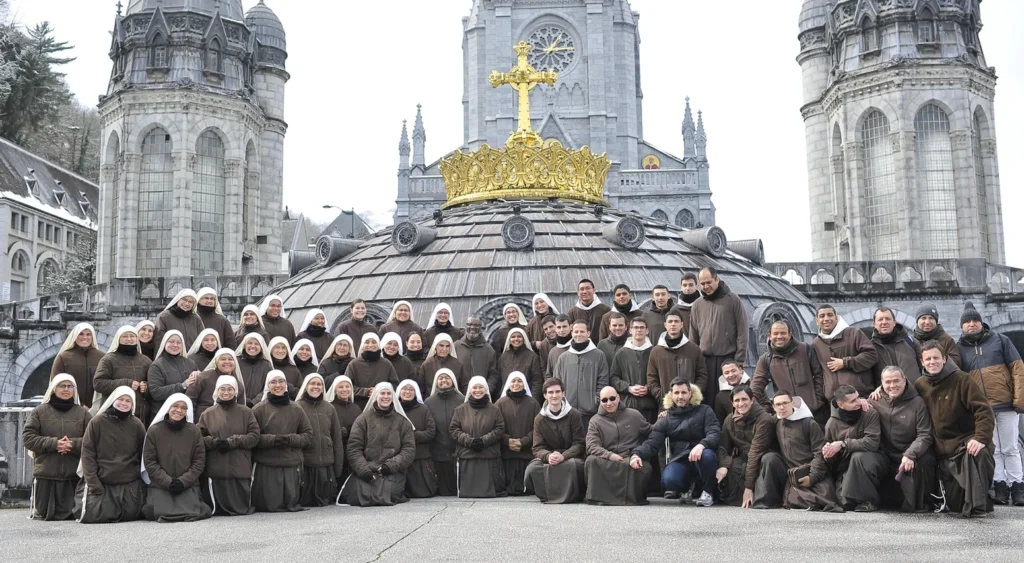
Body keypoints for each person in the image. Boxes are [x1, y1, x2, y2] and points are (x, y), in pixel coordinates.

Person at [916, 340, 995, 517]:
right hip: (941, 450)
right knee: (957, 505)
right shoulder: (920, 384)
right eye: (927, 359)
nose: (932, 362)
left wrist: (980, 438)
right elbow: (900, 392)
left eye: (936, 357)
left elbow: (983, 410)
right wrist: (878, 391)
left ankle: (980, 505)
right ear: (922, 362)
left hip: (965, 441)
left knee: (976, 452)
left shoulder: (962, 379)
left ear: (944, 359)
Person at [956, 303, 1024, 506]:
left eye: (975, 320)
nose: (971, 324)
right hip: (981, 409)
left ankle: (1018, 486)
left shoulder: (1001, 340)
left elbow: (1017, 369)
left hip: (1006, 405)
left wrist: (1019, 400)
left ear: (981, 322)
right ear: (962, 326)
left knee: (1011, 447)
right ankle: (1000, 487)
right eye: (967, 322)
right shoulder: (959, 349)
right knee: (992, 448)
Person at [631, 378, 720, 506]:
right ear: (671, 395)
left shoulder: (705, 410)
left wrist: (702, 445)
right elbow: (652, 443)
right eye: (676, 393)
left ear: (690, 393)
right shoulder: (666, 418)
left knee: (708, 456)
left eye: (684, 392)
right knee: (669, 480)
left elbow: (714, 433)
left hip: (702, 455)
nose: (680, 396)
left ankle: (708, 492)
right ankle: (686, 490)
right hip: (681, 458)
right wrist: (637, 454)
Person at [23, 374, 92, 520]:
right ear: (54, 388)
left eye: (70, 386)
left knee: (74, 515)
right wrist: (54, 444)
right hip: (47, 473)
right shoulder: (39, 412)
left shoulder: (83, 413)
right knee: (44, 514)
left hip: (74, 475)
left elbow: (92, 440)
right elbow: (28, 438)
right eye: (62, 386)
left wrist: (72, 444)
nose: (66, 389)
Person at [75, 386, 147, 523]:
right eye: (120, 399)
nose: (124, 403)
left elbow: (142, 454)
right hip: (103, 480)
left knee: (131, 515)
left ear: (132, 404)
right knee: (96, 516)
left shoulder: (137, 425)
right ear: (113, 399)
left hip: (128, 483)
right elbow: (88, 455)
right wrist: (94, 484)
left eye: (128, 401)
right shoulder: (97, 422)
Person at [869, 366, 935, 513]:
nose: (892, 385)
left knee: (925, 460)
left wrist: (910, 454)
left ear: (904, 380)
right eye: (888, 382)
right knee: (865, 459)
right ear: (881, 383)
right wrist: (861, 402)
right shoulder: (874, 400)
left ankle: (920, 504)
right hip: (885, 453)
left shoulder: (917, 402)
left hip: (911, 450)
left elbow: (925, 434)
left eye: (896, 381)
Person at [340, 383, 416, 507]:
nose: (385, 397)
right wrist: (363, 470)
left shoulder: (402, 422)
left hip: (391, 470)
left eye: (388, 393)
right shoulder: (362, 420)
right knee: (354, 495)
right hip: (367, 468)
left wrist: (390, 466)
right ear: (376, 395)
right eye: (382, 393)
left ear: (393, 396)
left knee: (390, 494)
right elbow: (354, 448)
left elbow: (409, 450)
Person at [196, 375, 260, 517]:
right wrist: (214, 442)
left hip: (239, 465)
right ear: (216, 391)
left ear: (236, 391)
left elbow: (254, 436)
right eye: (222, 389)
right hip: (216, 466)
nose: (226, 392)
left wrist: (233, 441)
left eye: (230, 389)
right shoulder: (207, 414)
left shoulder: (246, 412)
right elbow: (198, 437)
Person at [141, 394, 211, 523]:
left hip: (187, 484)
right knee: (154, 511)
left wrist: (183, 481)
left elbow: (199, 462)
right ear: (168, 407)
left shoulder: (194, 431)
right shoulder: (154, 430)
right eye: (175, 406)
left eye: (183, 408)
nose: (179, 410)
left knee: (195, 511)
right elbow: (150, 462)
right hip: (162, 484)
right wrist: (168, 481)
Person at [251, 371, 313, 512]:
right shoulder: (258, 409)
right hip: (267, 463)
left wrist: (290, 439)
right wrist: (273, 439)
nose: (278, 385)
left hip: (290, 462)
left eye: (281, 381)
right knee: (268, 505)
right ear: (268, 385)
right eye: (273, 382)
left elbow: (308, 436)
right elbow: (252, 437)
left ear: (286, 384)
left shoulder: (297, 409)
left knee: (289, 501)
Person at [715, 385, 786, 508]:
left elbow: (755, 453)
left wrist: (748, 487)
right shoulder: (729, 420)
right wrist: (724, 465)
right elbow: (723, 448)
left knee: (769, 460)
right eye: (737, 400)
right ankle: (738, 499)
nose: (741, 404)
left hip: (766, 457)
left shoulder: (764, 419)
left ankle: (768, 499)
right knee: (733, 464)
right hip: (747, 457)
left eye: (744, 399)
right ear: (732, 403)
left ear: (752, 400)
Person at [772, 390, 843, 512]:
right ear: (773, 407)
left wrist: (812, 477)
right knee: (794, 500)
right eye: (778, 404)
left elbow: (820, 453)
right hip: (793, 474)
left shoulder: (809, 423)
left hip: (814, 470)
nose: (782, 407)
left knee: (825, 496)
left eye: (785, 403)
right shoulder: (776, 422)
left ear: (792, 403)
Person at [689, 267, 749, 406]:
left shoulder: (733, 299)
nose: (706, 286)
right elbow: (693, 334)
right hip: (705, 361)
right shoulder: (697, 304)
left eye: (709, 282)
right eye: (702, 284)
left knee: (728, 401)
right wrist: (694, 360)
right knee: (706, 400)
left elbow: (742, 331)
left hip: (728, 359)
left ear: (717, 279)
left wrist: (739, 360)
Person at [823, 385, 887, 512]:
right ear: (841, 405)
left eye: (858, 397)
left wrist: (843, 444)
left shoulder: (869, 413)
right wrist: (828, 453)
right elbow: (834, 460)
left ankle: (869, 501)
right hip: (846, 466)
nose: (858, 402)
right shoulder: (831, 423)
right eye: (852, 401)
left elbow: (872, 443)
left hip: (875, 458)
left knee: (858, 456)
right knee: (844, 502)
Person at [752, 320, 828, 426]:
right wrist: (750, 404)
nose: (779, 336)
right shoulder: (766, 359)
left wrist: (818, 400)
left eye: (783, 333)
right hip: (787, 415)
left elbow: (819, 374)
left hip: (815, 413)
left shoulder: (805, 349)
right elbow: (757, 385)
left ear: (790, 334)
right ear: (769, 335)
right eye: (775, 333)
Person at [585, 386, 652, 505]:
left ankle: (632, 499)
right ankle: (599, 498)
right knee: (591, 461)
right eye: (604, 400)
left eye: (612, 398)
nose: (609, 403)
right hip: (606, 459)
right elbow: (591, 446)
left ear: (618, 397)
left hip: (629, 458)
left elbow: (651, 432)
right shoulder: (595, 421)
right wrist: (610, 455)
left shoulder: (634, 415)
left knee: (644, 466)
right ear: (600, 401)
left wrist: (664, 421)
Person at [525, 378, 586, 504]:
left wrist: (563, 456)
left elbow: (579, 444)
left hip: (570, 457)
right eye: (550, 392)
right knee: (532, 469)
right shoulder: (539, 419)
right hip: (550, 458)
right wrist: (548, 456)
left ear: (563, 393)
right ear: (545, 395)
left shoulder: (574, 415)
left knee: (579, 466)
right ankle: (547, 495)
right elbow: (537, 448)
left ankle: (573, 495)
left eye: (558, 391)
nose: (554, 395)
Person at [450, 376, 506, 498]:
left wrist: (483, 441)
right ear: (470, 390)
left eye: (481, 387)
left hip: (488, 453)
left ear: (486, 389)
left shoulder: (495, 409)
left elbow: (500, 428)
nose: (477, 390)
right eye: (474, 387)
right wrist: (469, 441)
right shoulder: (460, 410)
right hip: (467, 453)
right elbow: (454, 429)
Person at [294, 373, 345, 507]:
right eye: (313, 384)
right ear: (306, 386)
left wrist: (337, 468)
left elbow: (337, 439)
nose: (316, 387)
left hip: (325, 465)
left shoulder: (329, 408)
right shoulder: (297, 407)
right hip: (306, 464)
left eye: (319, 384)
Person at [811, 304, 878, 398]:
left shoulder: (853, 333)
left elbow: (872, 355)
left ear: (836, 318)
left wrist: (845, 362)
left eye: (830, 315)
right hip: (834, 400)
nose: (826, 319)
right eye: (822, 316)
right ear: (817, 321)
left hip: (859, 396)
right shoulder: (815, 344)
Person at [553, 320, 609, 428]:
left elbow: (603, 381)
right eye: (576, 331)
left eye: (582, 332)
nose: (579, 334)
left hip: (591, 413)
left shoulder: (598, 355)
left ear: (588, 333)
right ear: (572, 333)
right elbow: (556, 381)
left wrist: (595, 402)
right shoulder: (563, 357)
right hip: (567, 412)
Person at [494, 372, 540, 496]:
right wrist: (507, 440)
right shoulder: (499, 404)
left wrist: (523, 441)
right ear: (508, 383)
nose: (516, 384)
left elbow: (538, 428)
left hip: (526, 453)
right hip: (506, 454)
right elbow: (494, 427)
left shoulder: (533, 403)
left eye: (519, 381)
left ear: (524, 383)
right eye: (513, 381)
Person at [93, 325, 151, 421]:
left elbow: (154, 385)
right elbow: (98, 383)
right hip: (112, 412)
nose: (129, 339)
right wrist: (126, 384)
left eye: (132, 336)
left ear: (137, 339)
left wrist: (146, 387)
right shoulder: (108, 359)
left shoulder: (146, 361)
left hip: (139, 414)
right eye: (124, 336)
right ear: (118, 339)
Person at [646, 311, 706, 403]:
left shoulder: (694, 349)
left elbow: (702, 375)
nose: (673, 324)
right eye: (670, 322)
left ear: (682, 324)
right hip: (666, 406)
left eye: (676, 321)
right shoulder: (656, 351)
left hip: (691, 405)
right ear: (665, 325)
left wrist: (693, 396)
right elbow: (651, 379)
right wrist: (663, 397)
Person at [425, 368, 465, 496]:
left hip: (458, 448)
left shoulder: (462, 399)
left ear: (453, 380)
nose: (444, 380)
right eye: (441, 378)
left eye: (447, 378)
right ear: (436, 382)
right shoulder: (429, 402)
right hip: (438, 449)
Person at [395, 379, 438, 498]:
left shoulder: (423, 409)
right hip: (398, 455)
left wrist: (411, 436)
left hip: (420, 456)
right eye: (405, 389)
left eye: (411, 389)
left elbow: (430, 432)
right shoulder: (394, 410)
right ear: (399, 391)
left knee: (424, 493)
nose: (407, 392)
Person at [147, 330, 201, 421]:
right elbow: (156, 392)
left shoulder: (190, 363)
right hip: (164, 416)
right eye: (171, 341)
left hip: (186, 414)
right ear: (164, 343)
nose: (175, 345)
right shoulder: (156, 366)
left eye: (178, 342)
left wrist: (199, 375)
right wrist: (182, 386)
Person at [611, 318, 657, 424]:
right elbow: (613, 378)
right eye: (635, 327)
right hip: (628, 406)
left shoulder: (655, 351)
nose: (639, 330)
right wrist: (628, 388)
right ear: (630, 330)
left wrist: (648, 388)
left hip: (650, 406)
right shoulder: (621, 353)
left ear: (647, 331)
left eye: (642, 328)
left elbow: (661, 378)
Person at [50, 323, 104, 409]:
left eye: (88, 334)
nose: (85, 337)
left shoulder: (102, 357)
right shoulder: (63, 358)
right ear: (75, 336)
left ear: (92, 336)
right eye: (81, 334)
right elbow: (56, 383)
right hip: (70, 407)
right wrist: (80, 405)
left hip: (97, 409)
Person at [870, 307, 921, 393]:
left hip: (915, 396)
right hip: (887, 399)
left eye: (888, 319)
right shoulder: (870, 347)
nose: (884, 322)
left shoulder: (910, 342)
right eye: (880, 319)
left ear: (894, 322)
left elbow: (924, 366)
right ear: (874, 324)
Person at [188, 348, 247, 420]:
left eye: (230, 359)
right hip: (203, 423)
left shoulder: (238, 385)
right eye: (223, 359)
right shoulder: (203, 378)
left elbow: (241, 410)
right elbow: (190, 401)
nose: (227, 362)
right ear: (216, 362)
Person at [345, 333, 399, 409]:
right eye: (367, 342)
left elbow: (395, 385)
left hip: (382, 407)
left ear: (378, 345)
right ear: (362, 345)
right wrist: (366, 391)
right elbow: (347, 387)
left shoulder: (386, 364)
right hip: (358, 407)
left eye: (374, 342)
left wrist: (381, 390)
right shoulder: (353, 364)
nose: (370, 345)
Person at [454, 316, 500, 397]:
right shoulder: (456, 346)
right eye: (470, 324)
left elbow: (493, 374)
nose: (472, 327)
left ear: (480, 328)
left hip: (481, 396)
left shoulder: (488, 350)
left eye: (476, 325)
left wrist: (487, 391)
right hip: (460, 397)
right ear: (465, 326)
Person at [498, 327, 543, 399]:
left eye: (519, 336)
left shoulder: (532, 356)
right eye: (513, 337)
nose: (516, 339)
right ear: (509, 339)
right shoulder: (503, 357)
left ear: (524, 339)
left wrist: (534, 400)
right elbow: (499, 381)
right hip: (507, 399)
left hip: (527, 399)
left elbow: (537, 381)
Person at [912, 303, 961, 367]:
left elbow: (957, 362)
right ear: (917, 321)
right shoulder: (912, 341)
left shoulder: (947, 340)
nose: (927, 322)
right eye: (923, 318)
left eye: (931, 318)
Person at [567, 279, 611, 345]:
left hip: (601, 348)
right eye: (582, 289)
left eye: (588, 288)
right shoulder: (572, 312)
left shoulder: (605, 310)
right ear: (578, 293)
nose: (585, 291)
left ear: (594, 290)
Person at [235, 333, 273, 406]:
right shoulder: (236, 362)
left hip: (259, 406)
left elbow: (268, 385)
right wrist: (243, 399)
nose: (253, 346)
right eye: (249, 343)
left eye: (256, 344)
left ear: (261, 347)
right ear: (244, 345)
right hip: (238, 403)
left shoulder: (266, 365)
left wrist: (254, 402)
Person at [326, 375, 361, 442]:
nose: (344, 389)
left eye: (347, 386)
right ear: (335, 389)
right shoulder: (329, 407)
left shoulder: (356, 409)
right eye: (340, 387)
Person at [670, 273, 700, 337]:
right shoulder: (674, 310)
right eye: (685, 285)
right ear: (681, 287)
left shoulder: (704, 306)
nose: (687, 288)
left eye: (691, 285)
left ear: (696, 286)